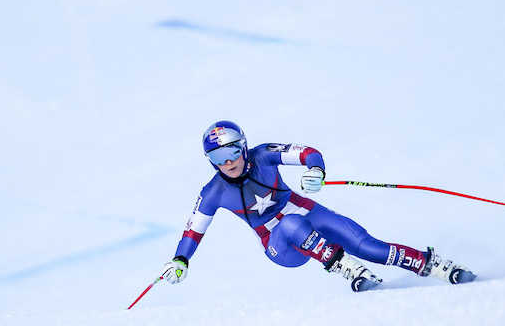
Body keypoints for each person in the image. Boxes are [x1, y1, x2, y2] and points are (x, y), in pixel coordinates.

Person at [160, 120, 476, 292]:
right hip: (281, 247)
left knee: (366, 245)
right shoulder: (212, 191)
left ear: (243, 148)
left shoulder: (263, 154)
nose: (227, 163)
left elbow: (307, 152)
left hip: (307, 212)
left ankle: (430, 264)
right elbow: (193, 232)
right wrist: (180, 260)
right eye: (217, 158)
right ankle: (342, 266)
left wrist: (316, 170)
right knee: (289, 225)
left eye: (231, 153)